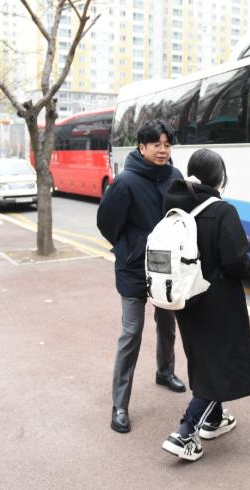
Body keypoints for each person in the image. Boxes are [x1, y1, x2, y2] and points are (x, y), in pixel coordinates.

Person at [160, 149, 250, 462]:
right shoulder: (222, 210)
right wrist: (247, 256)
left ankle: (213, 420)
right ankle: (185, 432)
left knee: (202, 355)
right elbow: (235, 261)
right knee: (220, 359)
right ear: (219, 178)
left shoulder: (173, 203)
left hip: (186, 296)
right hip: (218, 298)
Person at [97, 119, 186, 434]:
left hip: (167, 268)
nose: (163, 150)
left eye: (167, 144)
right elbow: (107, 223)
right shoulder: (125, 182)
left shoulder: (175, 176)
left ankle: (165, 372)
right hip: (134, 266)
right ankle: (120, 404)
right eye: (156, 144)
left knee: (167, 323)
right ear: (142, 147)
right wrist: (131, 248)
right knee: (131, 333)